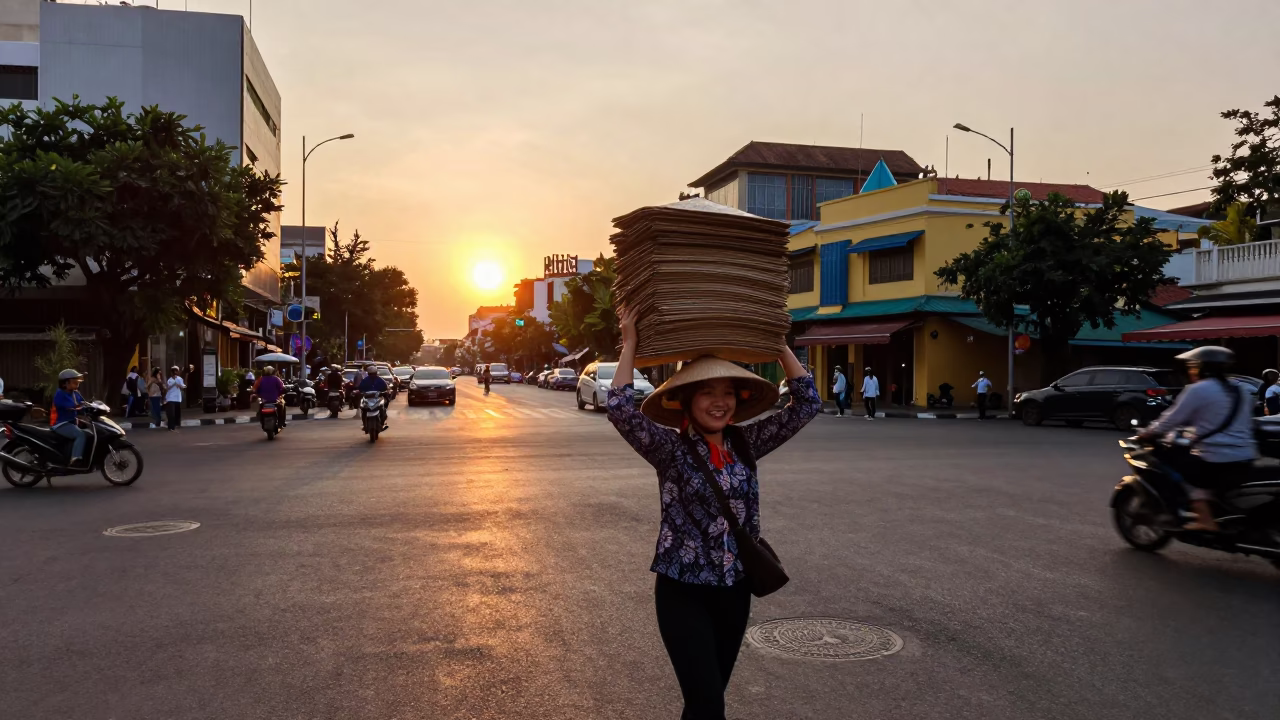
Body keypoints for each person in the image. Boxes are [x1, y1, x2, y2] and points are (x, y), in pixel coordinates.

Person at [606, 306, 821, 720]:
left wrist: (776, 343)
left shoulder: (745, 444)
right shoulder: (669, 450)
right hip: (681, 592)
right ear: (686, 401)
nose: (719, 402)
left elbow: (806, 404)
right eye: (707, 392)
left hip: (734, 591)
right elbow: (619, 409)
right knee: (708, 703)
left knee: (706, 702)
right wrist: (629, 341)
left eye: (727, 392)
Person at [1138, 346, 1256, 532]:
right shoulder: (1241, 390)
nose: (1191, 371)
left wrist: (1147, 433)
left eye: (1193, 367)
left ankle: (1205, 519)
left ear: (1200, 368)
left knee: (1172, 463)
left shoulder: (1198, 389)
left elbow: (1171, 419)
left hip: (1216, 459)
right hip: (1246, 456)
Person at [51, 369, 88, 465]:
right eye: (74, 381)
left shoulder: (75, 393)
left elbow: (83, 403)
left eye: (77, 381)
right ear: (65, 383)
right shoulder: (60, 394)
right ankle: (75, 458)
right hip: (60, 424)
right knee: (80, 435)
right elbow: (72, 405)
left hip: (71, 422)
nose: (77, 383)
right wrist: (79, 407)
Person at [358, 364, 389, 431]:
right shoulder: (365, 380)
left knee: (383, 408)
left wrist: (385, 392)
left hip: (378, 398)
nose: (372, 375)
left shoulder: (380, 380)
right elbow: (360, 388)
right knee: (363, 410)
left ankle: (382, 422)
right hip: (368, 399)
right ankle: (365, 424)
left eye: (373, 374)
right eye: (371, 374)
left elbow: (385, 388)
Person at [164, 365, 187, 431]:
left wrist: (179, 385)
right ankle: (170, 426)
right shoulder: (169, 380)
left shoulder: (179, 379)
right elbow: (167, 388)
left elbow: (183, 386)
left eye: (176, 372)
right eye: (173, 372)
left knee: (177, 413)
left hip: (177, 398)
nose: (175, 374)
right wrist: (174, 384)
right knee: (171, 413)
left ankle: (175, 424)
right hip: (170, 398)